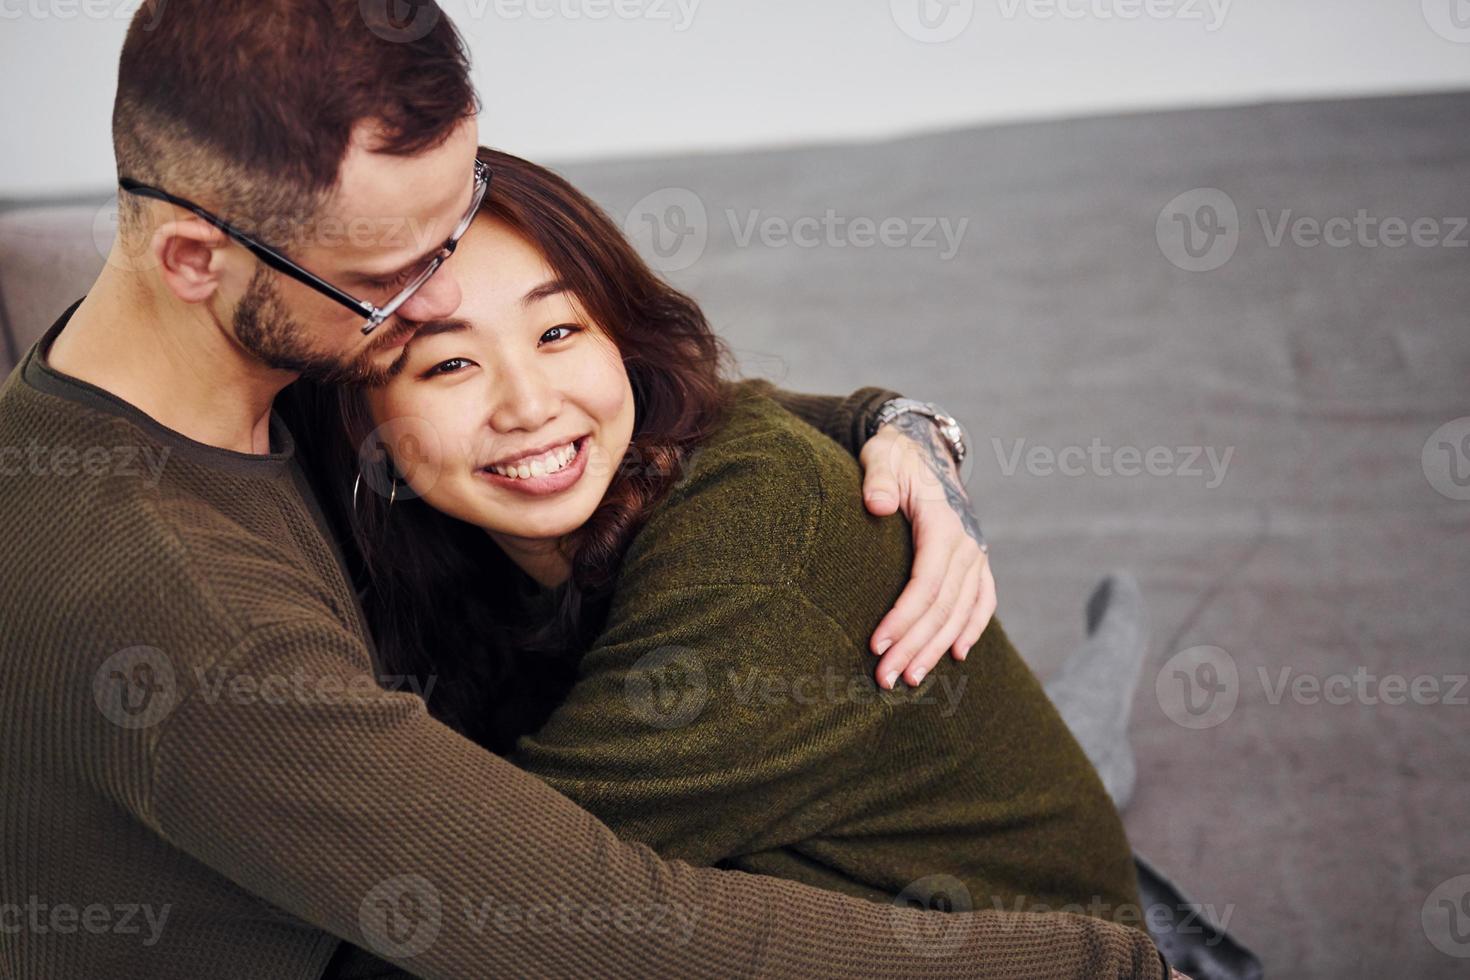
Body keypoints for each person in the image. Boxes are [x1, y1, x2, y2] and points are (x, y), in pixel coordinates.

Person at [0, 1, 1176, 977]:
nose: (435, 290)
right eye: (393, 277)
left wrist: (892, 427)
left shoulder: (201, 358)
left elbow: (637, 411)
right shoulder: (194, 612)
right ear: (193, 258)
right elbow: (606, 923)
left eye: (453, 216)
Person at [296, 146, 1143, 925]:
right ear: (359, 417)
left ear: (623, 343)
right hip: (831, 798)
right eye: (449, 364)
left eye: (558, 332)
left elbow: (494, 898)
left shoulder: (753, 560)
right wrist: (899, 420)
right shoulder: (425, 534)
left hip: (1009, 926)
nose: (527, 406)